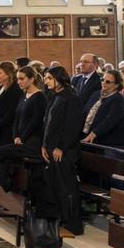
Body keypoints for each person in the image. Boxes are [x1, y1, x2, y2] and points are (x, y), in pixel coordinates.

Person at [42, 66, 85, 234]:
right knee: (56, 185)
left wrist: (61, 147)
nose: (46, 81)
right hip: (51, 148)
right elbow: (47, 122)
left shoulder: (71, 97)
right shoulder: (54, 96)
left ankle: (73, 223)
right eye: (45, 78)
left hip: (64, 151)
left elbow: (72, 126)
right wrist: (45, 144)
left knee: (67, 186)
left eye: (49, 78)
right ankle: (60, 217)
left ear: (59, 78)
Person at [82, 70, 124, 147]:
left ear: (117, 85)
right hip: (91, 138)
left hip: (110, 142)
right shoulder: (96, 94)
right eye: (102, 80)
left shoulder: (119, 99)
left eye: (108, 82)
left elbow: (110, 120)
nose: (103, 83)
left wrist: (94, 133)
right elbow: (85, 112)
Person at [13, 66, 47, 155]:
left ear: (31, 79)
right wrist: (16, 136)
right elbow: (17, 118)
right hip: (20, 139)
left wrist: (22, 138)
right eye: (17, 79)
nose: (18, 82)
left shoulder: (39, 96)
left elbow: (36, 121)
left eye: (21, 78)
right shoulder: (23, 95)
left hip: (33, 140)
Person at [0, 61, 24, 147]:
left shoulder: (15, 88)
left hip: (7, 130)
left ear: (8, 74)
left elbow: (11, 112)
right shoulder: (0, 86)